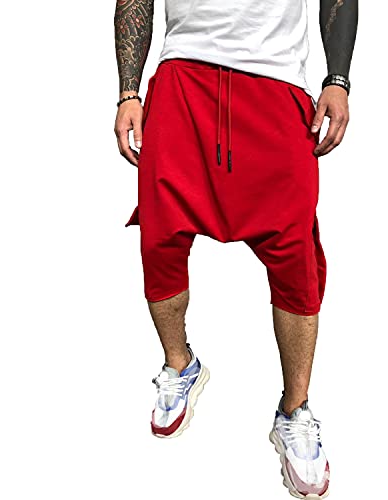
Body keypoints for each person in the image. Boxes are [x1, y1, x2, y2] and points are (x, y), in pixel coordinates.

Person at [114, 0, 357, 497]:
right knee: (160, 235)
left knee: (294, 252)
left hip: (275, 80)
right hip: (183, 76)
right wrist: (128, 92)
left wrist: (338, 79)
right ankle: (180, 364)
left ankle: (295, 410)